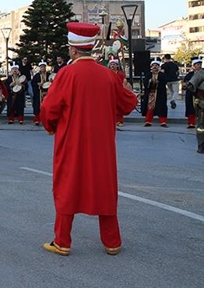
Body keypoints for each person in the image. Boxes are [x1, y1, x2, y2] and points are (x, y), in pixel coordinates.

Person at [40, 22, 137, 257]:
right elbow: (128, 103)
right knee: (104, 186)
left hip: (72, 142)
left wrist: (51, 127)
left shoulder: (66, 74)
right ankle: (112, 241)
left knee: (67, 185)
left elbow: (49, 109)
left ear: (73, 49)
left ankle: (62, 241)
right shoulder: (108, 75)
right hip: (102, 144)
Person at [142, 59, 168, 127]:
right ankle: (148, 121)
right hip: (151, 93)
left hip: (159, 93)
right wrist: (149, 82)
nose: (155, 67)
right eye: (153, 65)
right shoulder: (148, 74)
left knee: (161, 107)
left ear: (159, 66)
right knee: (150, 107)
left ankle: (163, 122)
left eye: (156, 65)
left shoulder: (162, 75)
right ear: (151, 66)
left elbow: (164, 82)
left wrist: (158, 82)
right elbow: (145, 83)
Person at [182, 57, 202, 129]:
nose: (199, 66)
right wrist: (185, 84)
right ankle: (191, 123)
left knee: (202, 109)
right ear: (194, 66)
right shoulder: (189, 75)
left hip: (202, 93)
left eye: (200, 64)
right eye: (197, 64)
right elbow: (184, 84)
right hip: (191, 93)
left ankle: (202, 123)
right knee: (190, 107)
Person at [108, 57, 127, 127]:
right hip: (109, 92)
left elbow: (123, 83)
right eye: (111, 64)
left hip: (118, 92)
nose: (112, 66)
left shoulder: (120, 74)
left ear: (117, 65)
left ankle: (119, 120)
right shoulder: (107, 73)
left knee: (118, 107)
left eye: (114, 64)